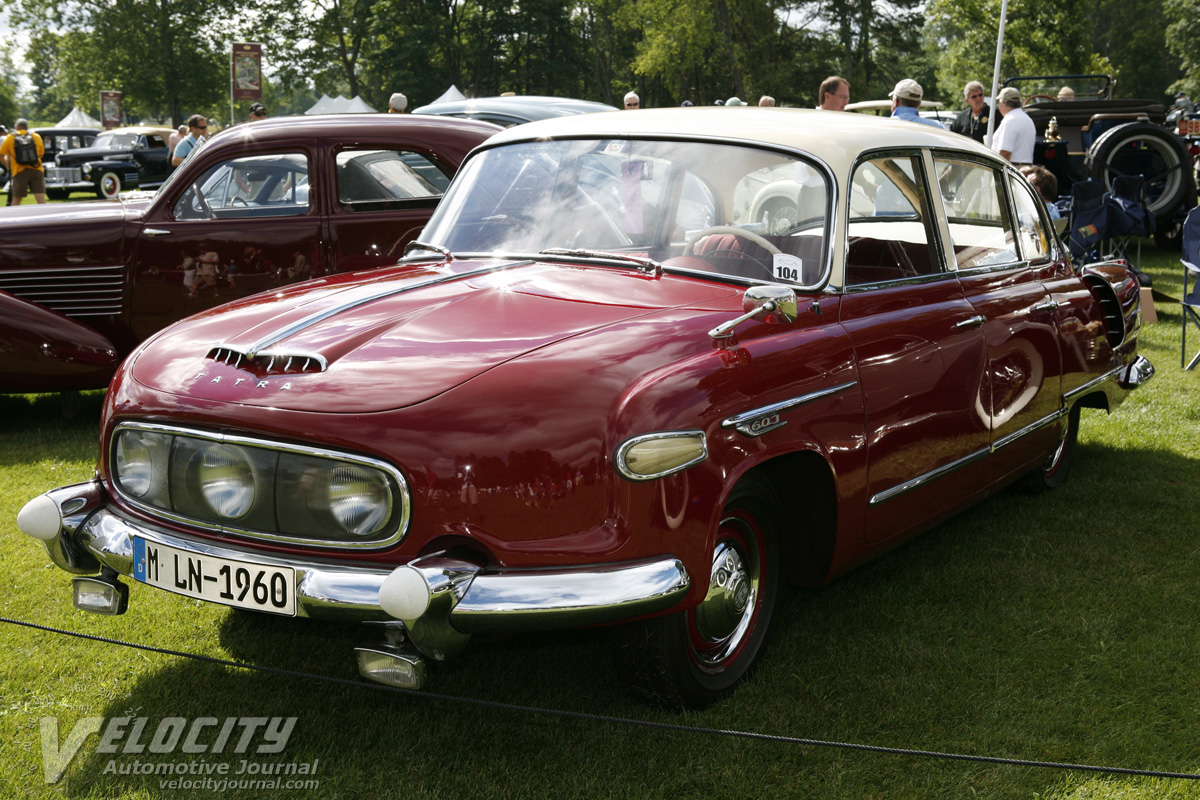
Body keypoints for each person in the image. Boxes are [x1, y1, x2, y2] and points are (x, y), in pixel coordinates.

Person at [0, 119, 48, 205]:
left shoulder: (11, 137)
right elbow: (41, 154)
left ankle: (13, 217)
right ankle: (46, 217)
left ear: (16, 127)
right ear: (27, 127)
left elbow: (1, 155)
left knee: (16, 200)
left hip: (19, 171)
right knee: (40, 199)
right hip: (36, 169)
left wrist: (8, 165)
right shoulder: (36, 136)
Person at [992, 86, 1035, 163]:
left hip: (1013, 169)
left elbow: (1005, 153)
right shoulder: (1028, 119)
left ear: (1002, 104)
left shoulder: (1009, 121)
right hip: (1025, 169)